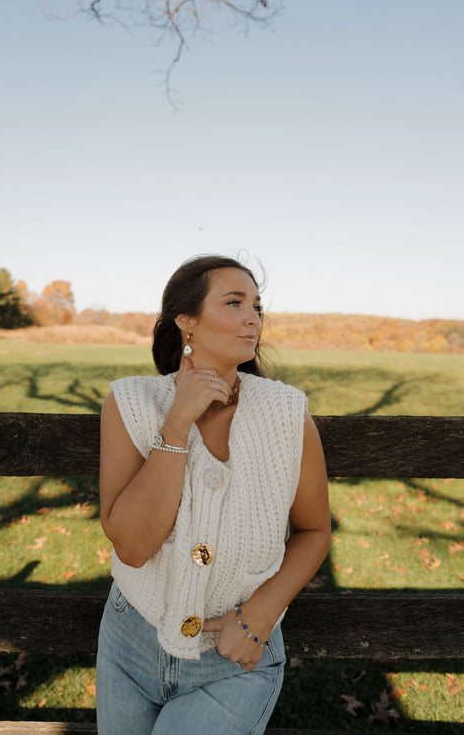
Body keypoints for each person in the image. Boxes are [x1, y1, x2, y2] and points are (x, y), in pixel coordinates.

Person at [96, 255, 331, 735]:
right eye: (234, 302)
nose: (254, 318)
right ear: (186, 321)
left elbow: (314, 530)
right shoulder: (130, 403)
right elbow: (133, 547)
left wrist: (263, 613)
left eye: (257, 306)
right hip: (130, 644)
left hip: (237, 656)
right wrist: (177, 423)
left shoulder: (288, 412)